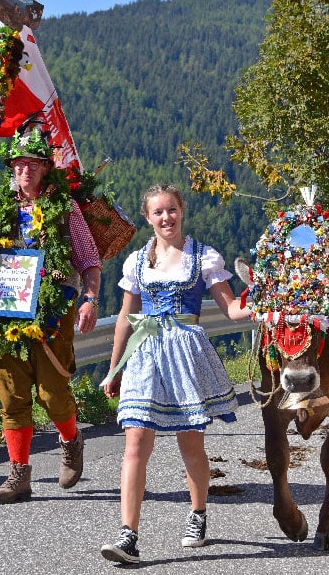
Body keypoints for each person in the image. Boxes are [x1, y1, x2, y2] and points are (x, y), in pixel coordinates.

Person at [98, 183, 251, 564]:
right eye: (158, 212)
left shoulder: (202, 257)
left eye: (172, 210)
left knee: (190, 445)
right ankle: (128, 534)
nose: (166, 217)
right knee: (135, 444)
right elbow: (125, 318)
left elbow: (233, 309)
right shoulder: (137, 262)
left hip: (185, 354)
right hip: (146, 353)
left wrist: (274, 299)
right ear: (148, 218)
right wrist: (114, 368)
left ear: (181, 211)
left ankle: (198, 513)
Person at [0, 126, 102, 504]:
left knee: (52, 393)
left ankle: (71, 440)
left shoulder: (65, 208)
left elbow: (89, 260)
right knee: (11, 395)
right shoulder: (1, 207)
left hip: (53, 310)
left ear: (46, 168)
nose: (25, 171)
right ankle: (19, 475)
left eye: (33, 164)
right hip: (6, 310)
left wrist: (89, 299)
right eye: (19, 164)